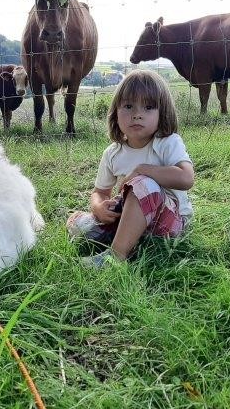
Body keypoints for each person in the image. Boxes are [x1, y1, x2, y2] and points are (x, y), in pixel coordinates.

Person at [67, 69, 195, 267]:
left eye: (149, 107)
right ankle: (126, 238)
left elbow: (186, 179)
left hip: (170, 222)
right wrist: (98, 207)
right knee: (78, 225)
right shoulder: (113, 153)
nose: (137, 115)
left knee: (142, 184)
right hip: (129, 217)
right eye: (128, 106)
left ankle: (115, 257)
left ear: (163, 113)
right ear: (115, 112)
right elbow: (100, 192)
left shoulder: (167, 143)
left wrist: (143, 169)